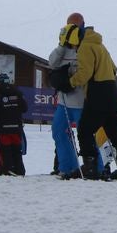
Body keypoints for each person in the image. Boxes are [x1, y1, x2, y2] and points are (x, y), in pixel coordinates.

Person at [67, 24, 117, 180]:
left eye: (73, 45)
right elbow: (114, 68)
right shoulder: (100, 45)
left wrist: (70, 81)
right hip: (111, 92)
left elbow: (85, 73)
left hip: (97, 94)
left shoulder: (85, 47)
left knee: (84, 129)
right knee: (115, 132)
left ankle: (90, 167)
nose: (74, 48)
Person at [48, 22, 85, 179]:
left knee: (85, 135)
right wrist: (61, 46)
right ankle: (67, 166)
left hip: (80, 101)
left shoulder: (84, 47)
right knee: (58, 131)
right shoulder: (62, 50)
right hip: (64, 100)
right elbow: (52, 62)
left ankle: (96, 166)